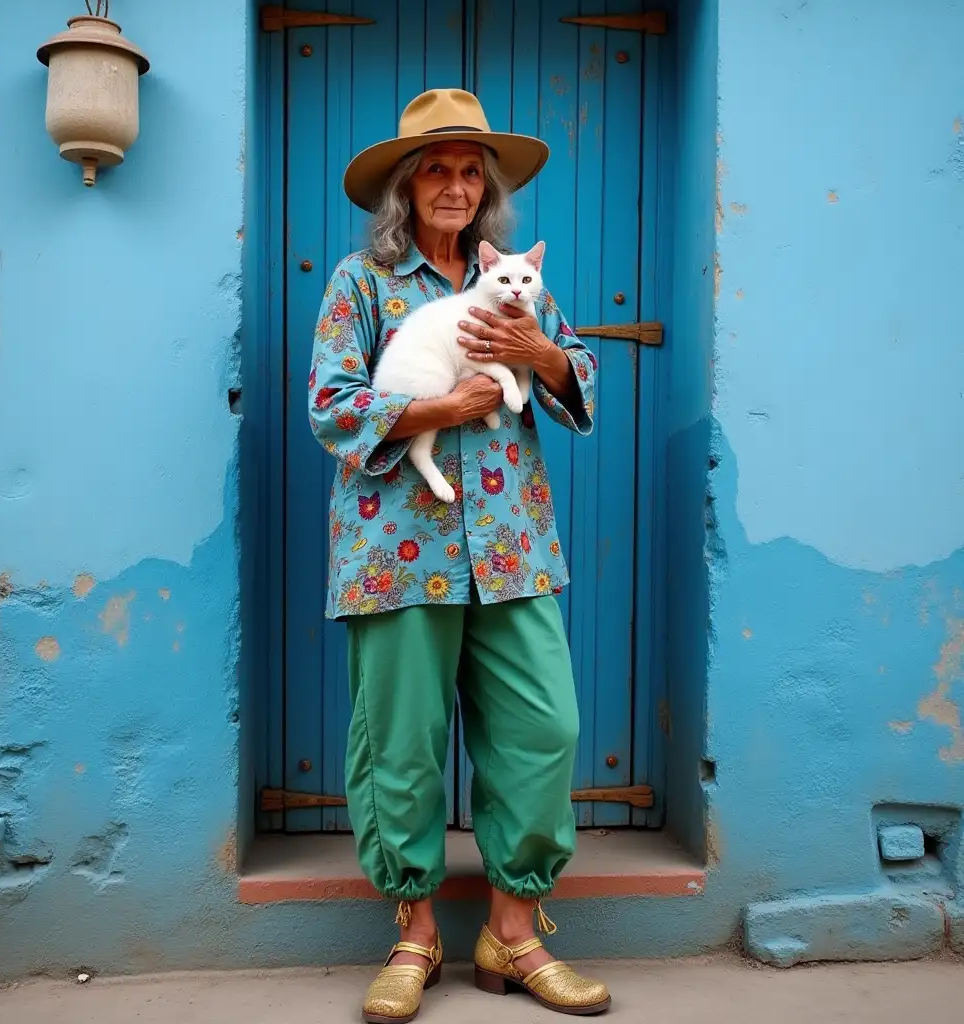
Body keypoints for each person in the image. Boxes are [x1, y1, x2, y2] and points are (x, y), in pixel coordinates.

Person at [307, 88, 610, 1022]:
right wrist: (442, 409)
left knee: (543, 727)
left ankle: (513, 934)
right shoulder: (362, 283)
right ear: (406, 188)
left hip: (514, 545)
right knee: (400, 745)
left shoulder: (520, 282)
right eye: (435, 168)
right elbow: (331, 404)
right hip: (397, 549)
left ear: (488, 191)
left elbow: (577, 375)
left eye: (469, 170)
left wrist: (543, 355)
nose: (454, 185)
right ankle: (414, 933)